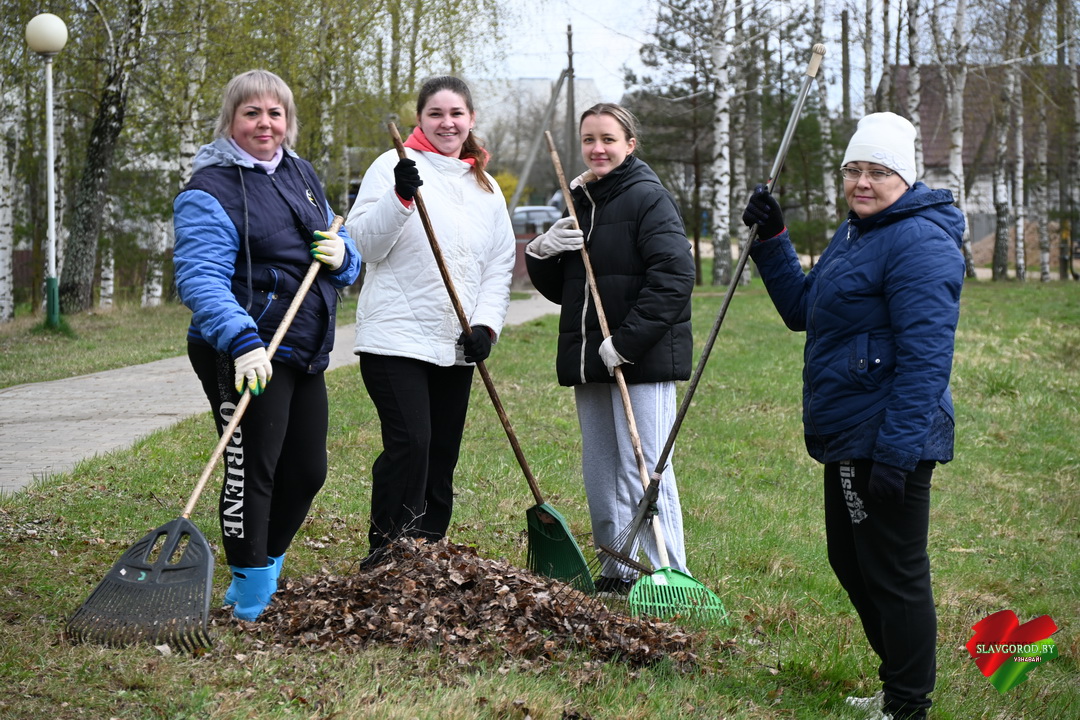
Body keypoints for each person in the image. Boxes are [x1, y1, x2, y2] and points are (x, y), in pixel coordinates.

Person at [741, 112, 965, 720]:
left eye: (878, 172)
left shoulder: (920, 241)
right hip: (850, 426)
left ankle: (908, 705)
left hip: (887, 433)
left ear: (905, 178)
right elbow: (802, 309)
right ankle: (897, 688)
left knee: (892, 570)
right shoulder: (858, 233)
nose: (862, 182)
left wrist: (896, 453)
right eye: (852, 170)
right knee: (853, 561)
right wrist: (773, 238)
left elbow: (926, 360)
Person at [173, 69, 361, 621]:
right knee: (252, 469)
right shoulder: (209, 190)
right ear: (230, 120)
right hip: (243, 349)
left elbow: (339, 245)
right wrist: (242, 341)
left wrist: (343, 258)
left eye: (275, 113)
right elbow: (200, 279)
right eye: (251, 112)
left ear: (288, 120)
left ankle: (265, 568)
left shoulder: (299, 172)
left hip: (302, 345)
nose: (265, 123)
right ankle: (249, 591)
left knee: (307, 471)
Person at [344, 75, 515, 566]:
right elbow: (364, 245)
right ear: (420, 118)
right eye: (435, 113)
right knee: (411, 444)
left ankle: (429, 553)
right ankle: (388, 553)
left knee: (441, 452)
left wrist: (485, 326)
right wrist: (399, 198)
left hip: (455, 343)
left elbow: (499, 264)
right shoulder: (392, 166)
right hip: (395, 337)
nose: (447, 123)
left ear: (471, 119)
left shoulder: (485, 188)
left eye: (456, 113)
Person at [525, 103, 695, 594]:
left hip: (640, 359)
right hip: (591, 360)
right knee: (602, 470)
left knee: (644, 470)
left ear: (630, 145)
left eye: (608, 139)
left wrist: (626, 342)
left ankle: (670, 575)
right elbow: (567, 290)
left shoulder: (648, 197)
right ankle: (618, 571)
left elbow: (675, 277)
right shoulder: (581, 200)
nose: (597, 149)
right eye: (589, 140)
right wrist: (543, 251)